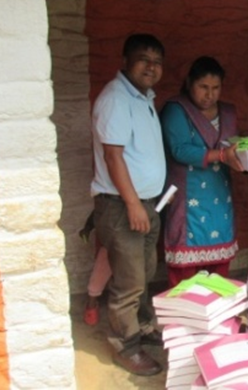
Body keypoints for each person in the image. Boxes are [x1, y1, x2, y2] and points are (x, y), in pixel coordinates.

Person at [90, 34, 166, 376]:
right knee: (129, 281)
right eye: (143, 59)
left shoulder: (143, 98)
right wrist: (134, 204)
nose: (151, 66)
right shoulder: (116, 99)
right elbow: (112, 155)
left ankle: (140, 328)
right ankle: (125, 346)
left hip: (146, 204)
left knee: (144, 273)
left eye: (157, 61)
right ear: (125, 61)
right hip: (123, 207)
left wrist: (145, 203)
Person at [160, 56, 244, 288]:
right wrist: (221, 156)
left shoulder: (228, 113)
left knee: (218, 270)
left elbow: (235, 146)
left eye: (216, 88)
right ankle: (187, 316)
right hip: (187, 197)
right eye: (203, 87)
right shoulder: (176, 110)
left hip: (220, 197)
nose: (210, 94)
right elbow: (180, 149)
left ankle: (217, 316)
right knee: (186, 270)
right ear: (189, 83)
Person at [78, 213, 111, 326]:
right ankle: (91, 303)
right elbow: (97, 212)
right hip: (111, 239)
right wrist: (87, 228)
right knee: (102, 266)